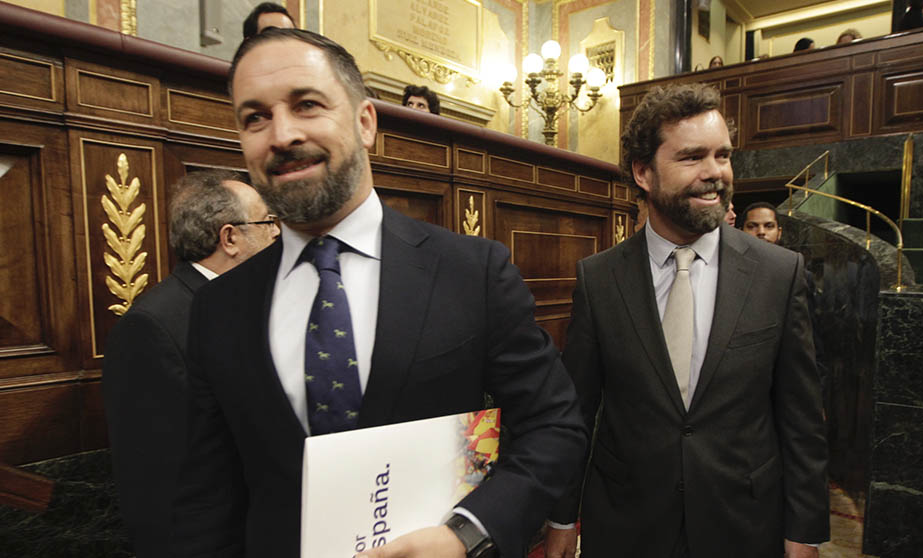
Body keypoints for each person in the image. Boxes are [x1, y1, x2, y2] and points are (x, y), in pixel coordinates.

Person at [170, 28, 586, 558]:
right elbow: (207, 496)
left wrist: (468, 533)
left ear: (366, 123)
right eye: (255, 117)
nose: (281, 134)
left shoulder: (471, 271)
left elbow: (554, 425)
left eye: (307, 104)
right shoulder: (218, 306)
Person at [544, 83, 829, 558]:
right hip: (626, 524)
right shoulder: (598, 280)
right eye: (692, 157)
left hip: (743, 522)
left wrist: (804, 533)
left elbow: (801, 420)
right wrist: (561, 516)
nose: (715, 173)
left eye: (723, 155)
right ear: (644, 172)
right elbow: (577, 411)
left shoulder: (780, 274)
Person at [102, 170, 279, 558]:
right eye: (268, 222)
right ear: (230, 238)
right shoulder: (152, 326)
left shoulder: (245, 304)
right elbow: (157, 480)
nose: (276, 234)